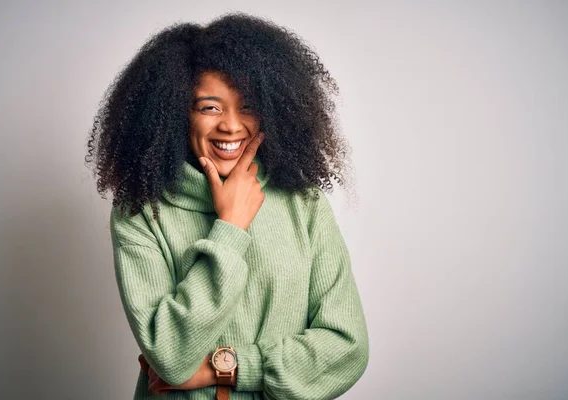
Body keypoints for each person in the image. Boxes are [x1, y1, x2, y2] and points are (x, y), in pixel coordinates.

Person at [85, 11, 369, 400]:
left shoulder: (302, 200)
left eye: (247, 106)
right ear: (174, 114)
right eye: (210, 108)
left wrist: (227, 367)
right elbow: (171, 357)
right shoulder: (140, 212)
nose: (232, 126)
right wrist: (231, 225)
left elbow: (347, 349)